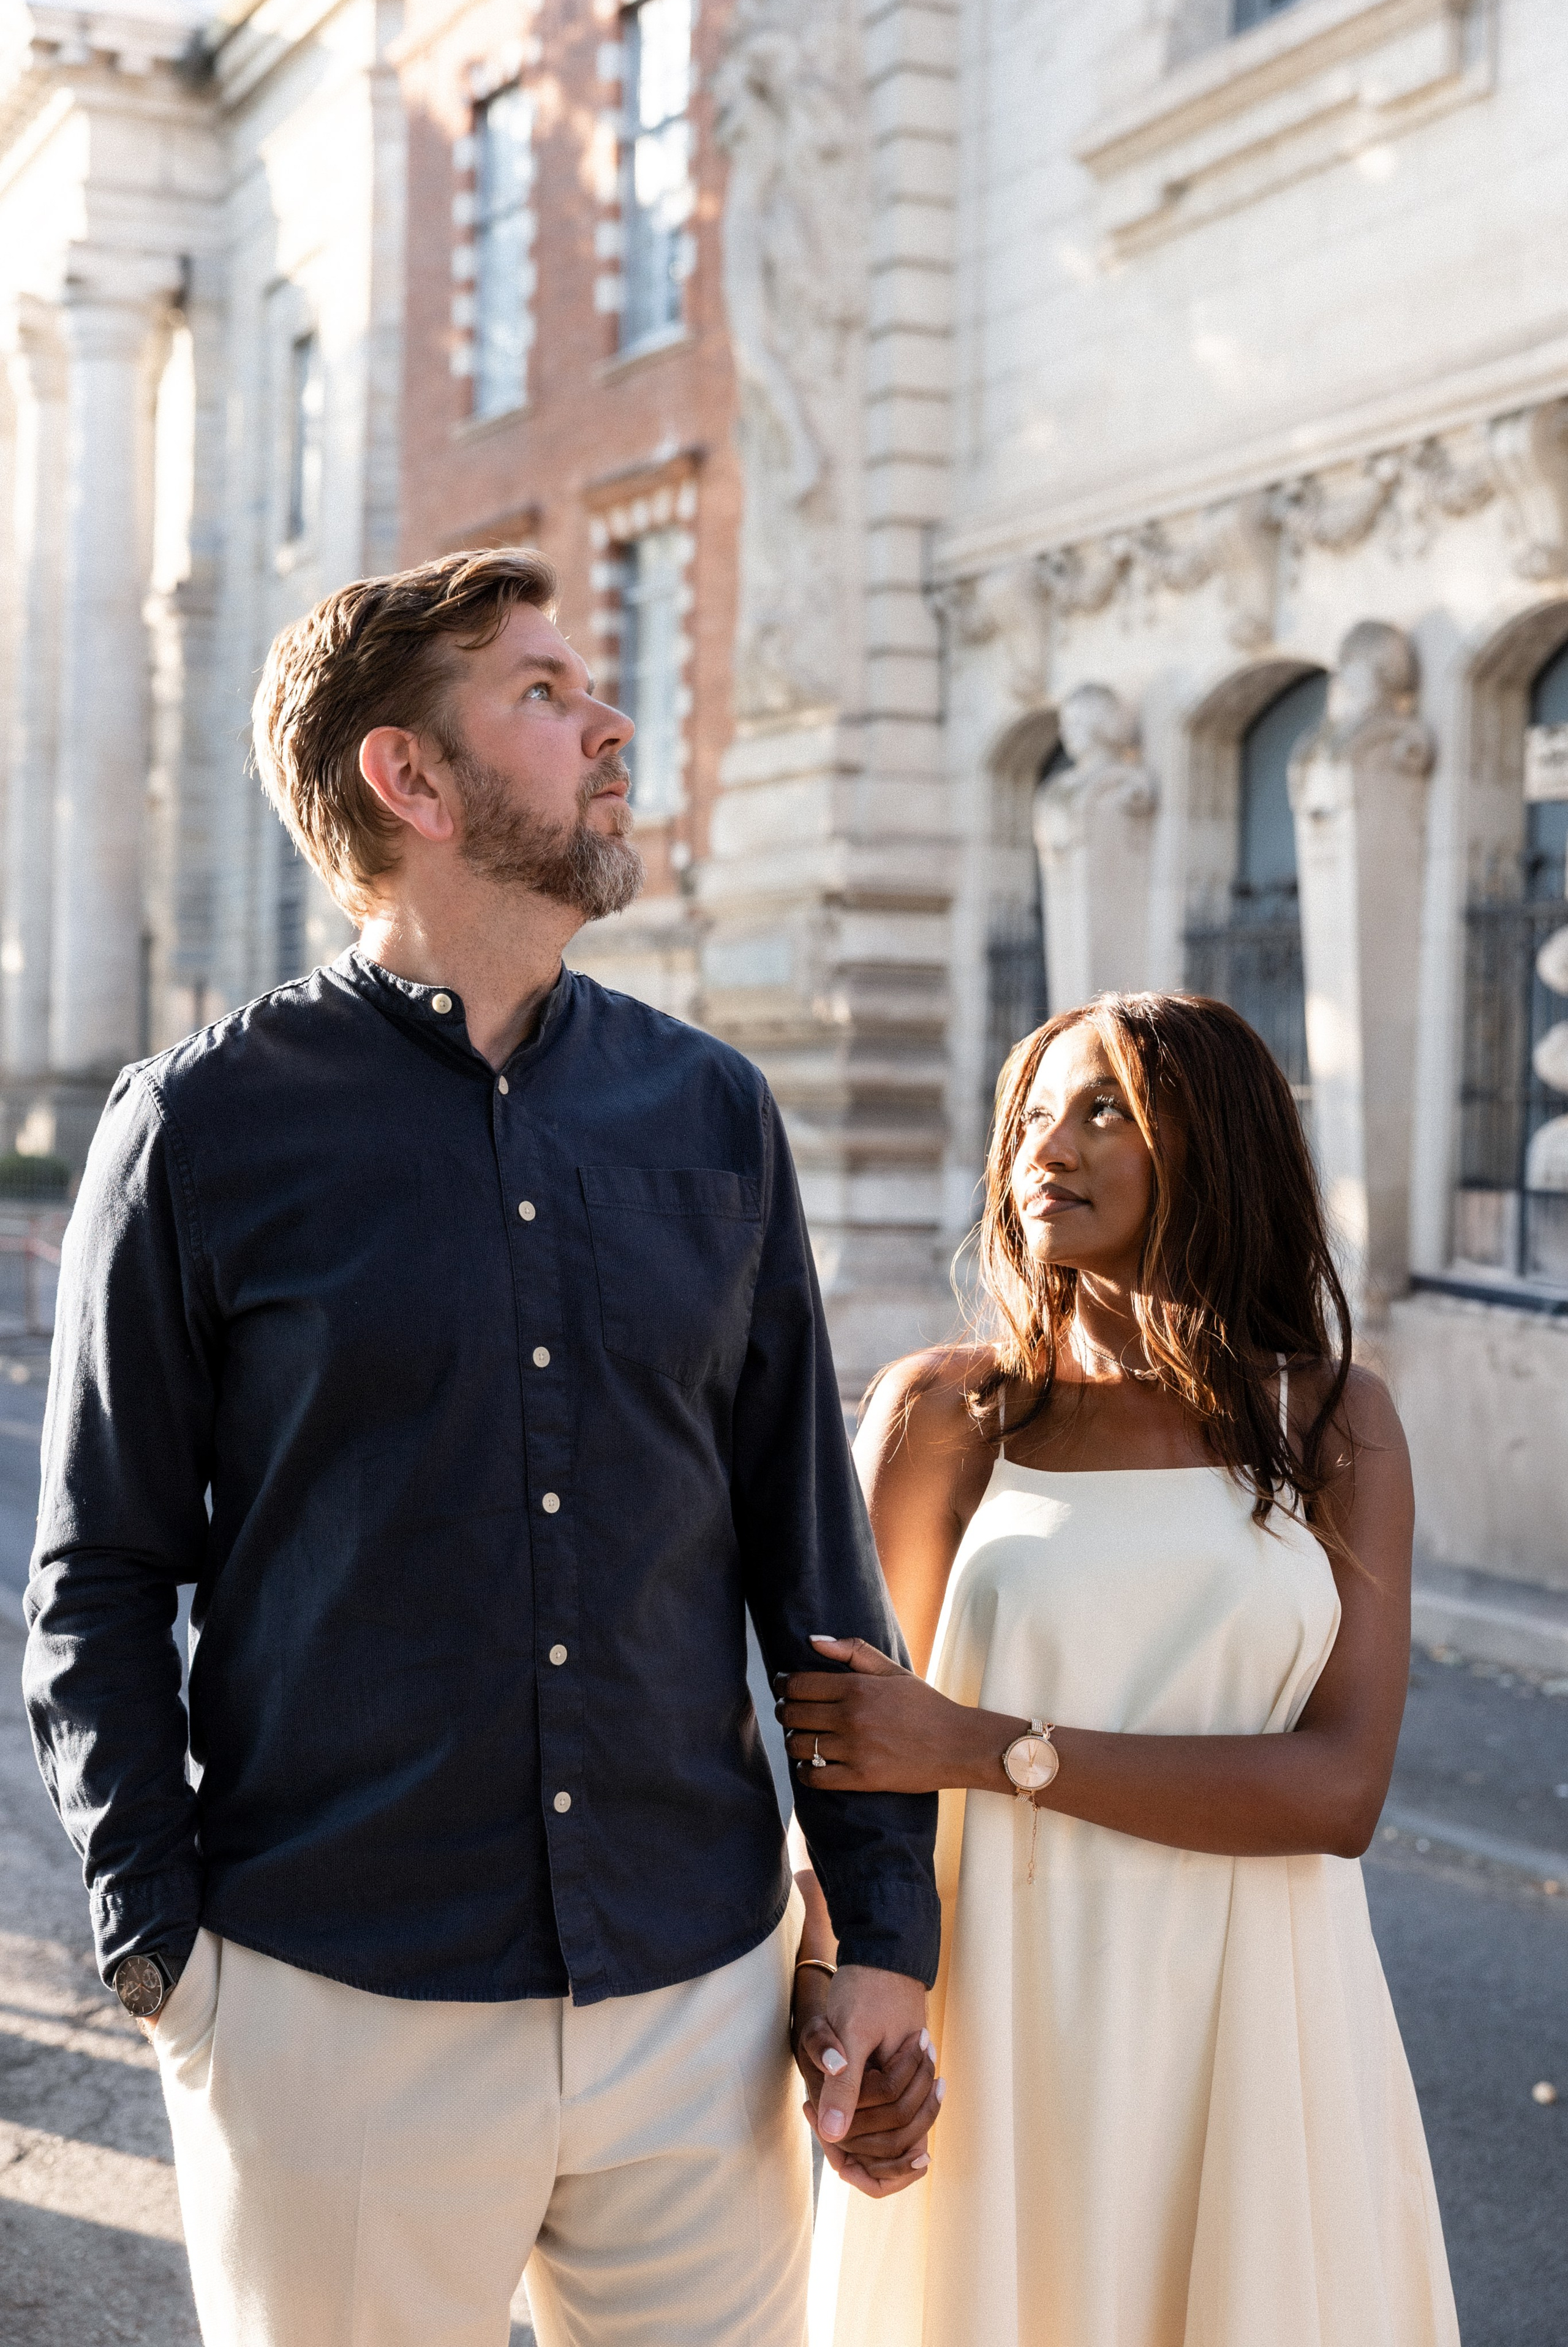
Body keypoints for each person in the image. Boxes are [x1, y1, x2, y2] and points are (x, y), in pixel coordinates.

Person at [21, 547, 941, 2347]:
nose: (611, 722)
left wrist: (882, 1935)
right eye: (543, 689)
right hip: (335, 2011)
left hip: (697, 2004)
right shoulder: (198, 1131)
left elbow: (805, 1562)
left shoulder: (712, 1114)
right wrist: (166, 1956)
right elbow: (100, 1573)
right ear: (411, 781)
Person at [782, 993, 1460, 2347]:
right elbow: (844, 1765)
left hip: (1256, 2021)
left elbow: (1337, 1793)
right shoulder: (940, 1416)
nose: (1047, 1146)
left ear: (1210, 1144)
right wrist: (832, 1998)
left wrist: (987, 1749)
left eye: (1101, 1110)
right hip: (994, 2014)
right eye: (1030, 1114)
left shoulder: (1329, 1424)